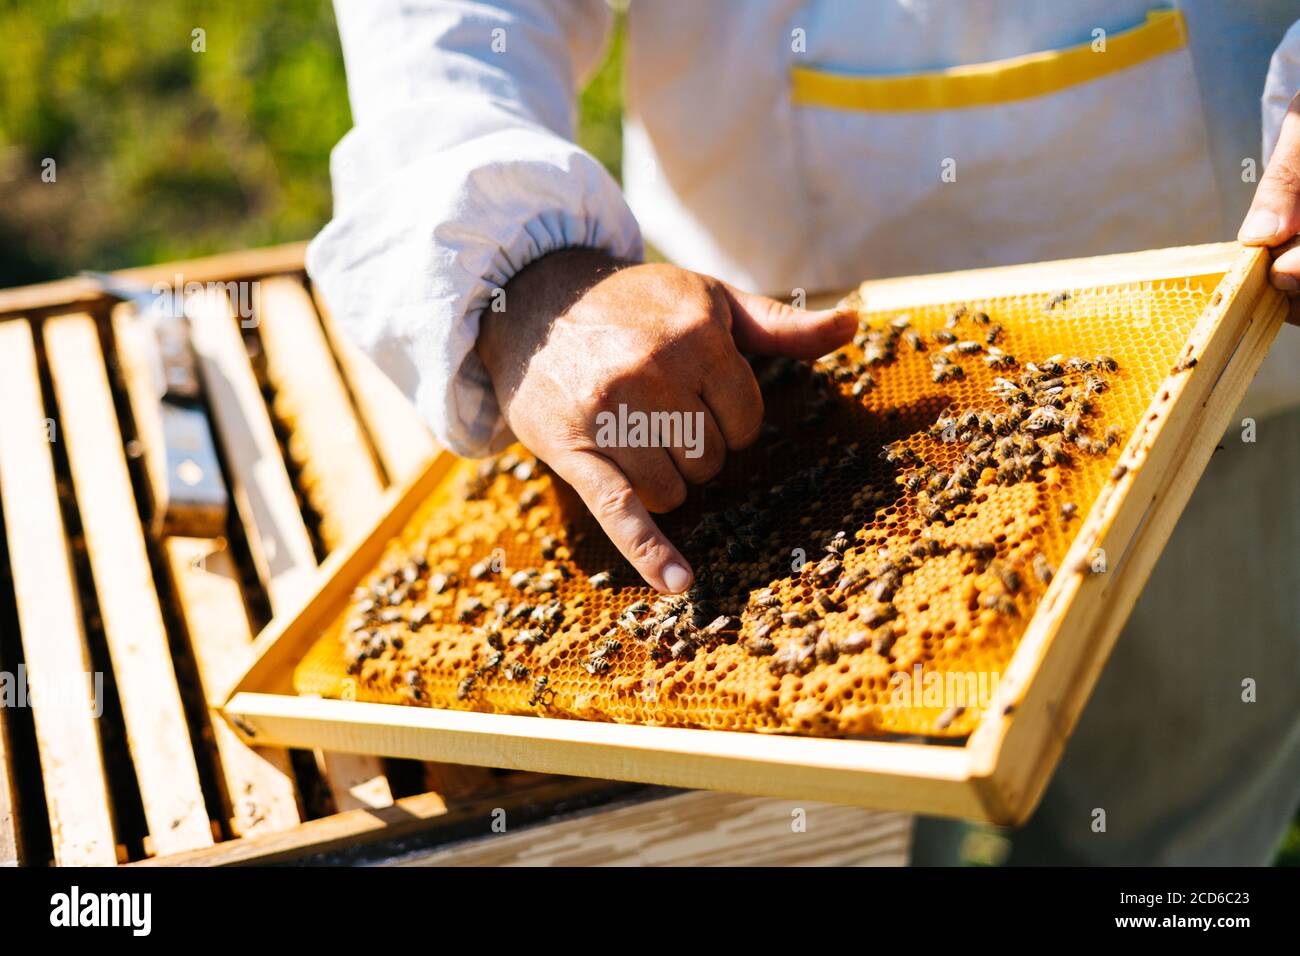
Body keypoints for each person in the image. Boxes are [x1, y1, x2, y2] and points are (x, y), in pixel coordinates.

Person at [308, 1, 1300, 865]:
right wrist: (525, 266)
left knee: (1171, 840)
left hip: (1234, 378)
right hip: (738, 408)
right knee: (822, 843)